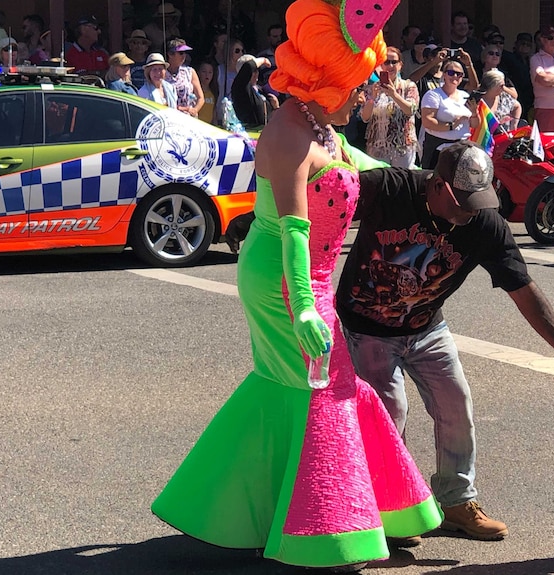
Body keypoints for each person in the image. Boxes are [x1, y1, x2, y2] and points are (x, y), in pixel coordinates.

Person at [151, 0, 442, 569]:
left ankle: (250, 509)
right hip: (283, 279)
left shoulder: (320, 127)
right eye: (357, 84)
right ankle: (325, 532)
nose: (364, 96)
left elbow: (357, 164)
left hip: (307, 276)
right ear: (327, 79)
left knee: (294, 390)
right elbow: (293, 231)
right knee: (320, 390)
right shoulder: (288, 134)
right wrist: (307, 309)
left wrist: (427, 181)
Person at [337, 140, 554, 541]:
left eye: (478, 201)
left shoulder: (485, 224)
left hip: (425, 328)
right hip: (366, 329)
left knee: (456, 404)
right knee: (390, 411)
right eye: (463, 202)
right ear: (438, 185)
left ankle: (456, 502)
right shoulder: (389, 189)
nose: (470, 211)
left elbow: (522, 288)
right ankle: (394, 508)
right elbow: (320, 198)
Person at [360, 46, 420, 168]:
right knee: (380, 183)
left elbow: (411, 110)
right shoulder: (371, 89)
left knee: (401, 181)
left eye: (394, 62)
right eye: (386, 62)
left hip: (402, 146)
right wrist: (372, 97)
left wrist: (394, 94)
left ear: (400, 65)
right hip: (377, 146)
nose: (390, 66)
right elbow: (365, 118)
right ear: (380, 65)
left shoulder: (409, 86)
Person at [419, 57, 479, 169]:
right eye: (451, 72)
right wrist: (453, 125)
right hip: (438, 149)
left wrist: (474, 113)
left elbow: (475, 124)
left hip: (462, 148)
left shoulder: (465, 96)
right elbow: (428, 122)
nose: (455, 76)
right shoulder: (433, 95)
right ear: (444, 75)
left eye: (459, 74)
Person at [230, 56, 277, 129]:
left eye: (257, 70)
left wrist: (275, 107)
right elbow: (248, 66)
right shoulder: (240, 88)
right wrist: (263, 60)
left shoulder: (260, 91)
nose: (256, 73)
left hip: (263, 134)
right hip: (247, 134)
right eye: (254, 71)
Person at [165, 38, 205, 118]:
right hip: (170, 117)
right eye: (181, 53)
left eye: (185, 53)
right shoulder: (161, 73)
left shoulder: (190, 72)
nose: (184, 55)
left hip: (189, 117)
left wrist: (195, 110)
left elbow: (201, 98)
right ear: (170, 54)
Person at [197, 60, 218, 124]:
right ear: (198, 73)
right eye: (204, 72)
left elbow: (214, 114)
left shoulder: (213, 92)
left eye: (210, 72)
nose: (207, 75)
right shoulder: (194, 91)